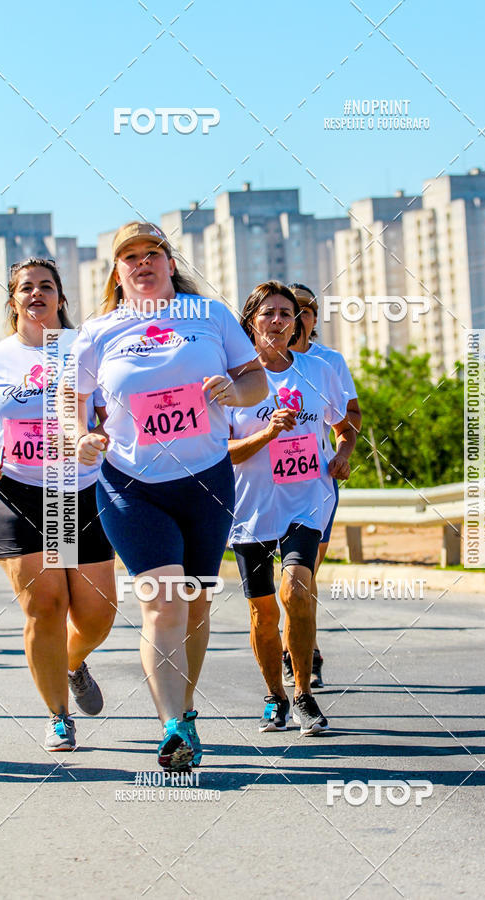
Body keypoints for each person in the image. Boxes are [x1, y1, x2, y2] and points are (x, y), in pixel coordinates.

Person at [66, 221, 267, 772]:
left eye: (151, 253)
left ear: (170, 262)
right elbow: (69, 402)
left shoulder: (211, 317)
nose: (142, 263)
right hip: (131, 485)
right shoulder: (99, 332)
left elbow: (256, 381)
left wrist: (236, 389)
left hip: (206, 479)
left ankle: (185, 708)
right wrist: (81, 435)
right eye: (129, 256)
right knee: (161, 600)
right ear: (117, 270)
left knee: (196, 604)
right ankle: (172, 726)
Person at [0, 258, 117, 752]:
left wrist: (101, 435)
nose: (37, 294)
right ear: (12, 300)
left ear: (60, 297)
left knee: (97, 615)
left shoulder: (84, 348)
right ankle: (59, 716)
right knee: (46, 606)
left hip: (78, 489)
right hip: (17, 492)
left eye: (47, 286)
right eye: (26, 287)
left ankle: (72, 662)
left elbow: (112, 412)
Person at [227, 281, 351, 735]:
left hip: (306, 498)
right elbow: (224, 452)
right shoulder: (232, 381)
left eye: (286, 313)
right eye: (268, 314)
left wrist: (342, 453)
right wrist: (267, 435)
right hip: (251, 508)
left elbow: (345, 421)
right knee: (263, 614)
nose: (278, 321)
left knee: (297, 592)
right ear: (250, 323)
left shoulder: (317, 371)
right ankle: (273, 696)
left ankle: (302, 693)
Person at [281, 283, 362, 689]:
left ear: (313, 319)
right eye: (291, 310)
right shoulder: (254, 364)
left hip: (315, 484)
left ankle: (303, 652)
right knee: (279, 587)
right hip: (265, 491)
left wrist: (342, 456)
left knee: (304, 575)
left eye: (307, 310)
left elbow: (349, 417)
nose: (299, 317)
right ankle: (293, 649)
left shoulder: (328, 362)